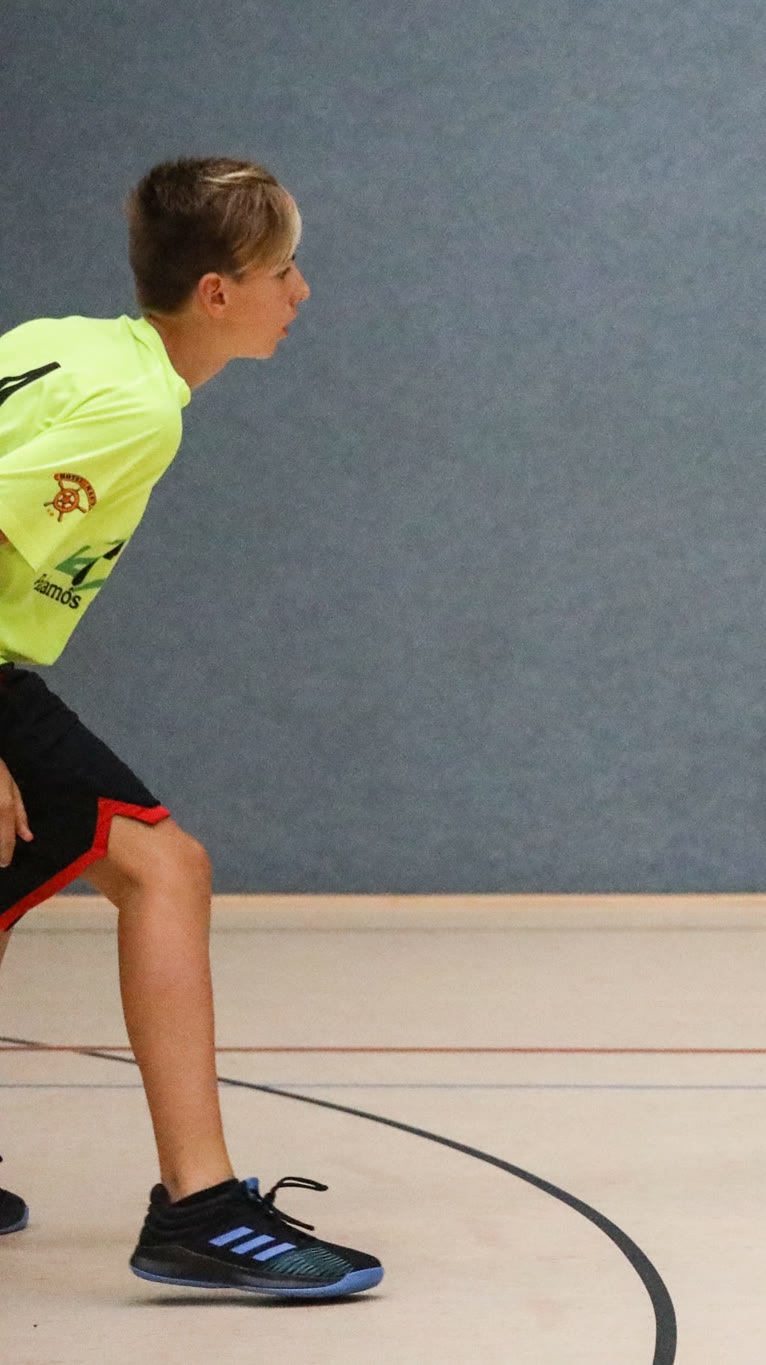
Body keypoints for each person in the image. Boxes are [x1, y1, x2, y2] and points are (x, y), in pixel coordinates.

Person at [0, 158, 382, 1292]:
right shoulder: (133, 406)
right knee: (164, 868)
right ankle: (201, 1207)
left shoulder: (65, 342)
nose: (301, 292)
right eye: (282, 271)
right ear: (217, 293)